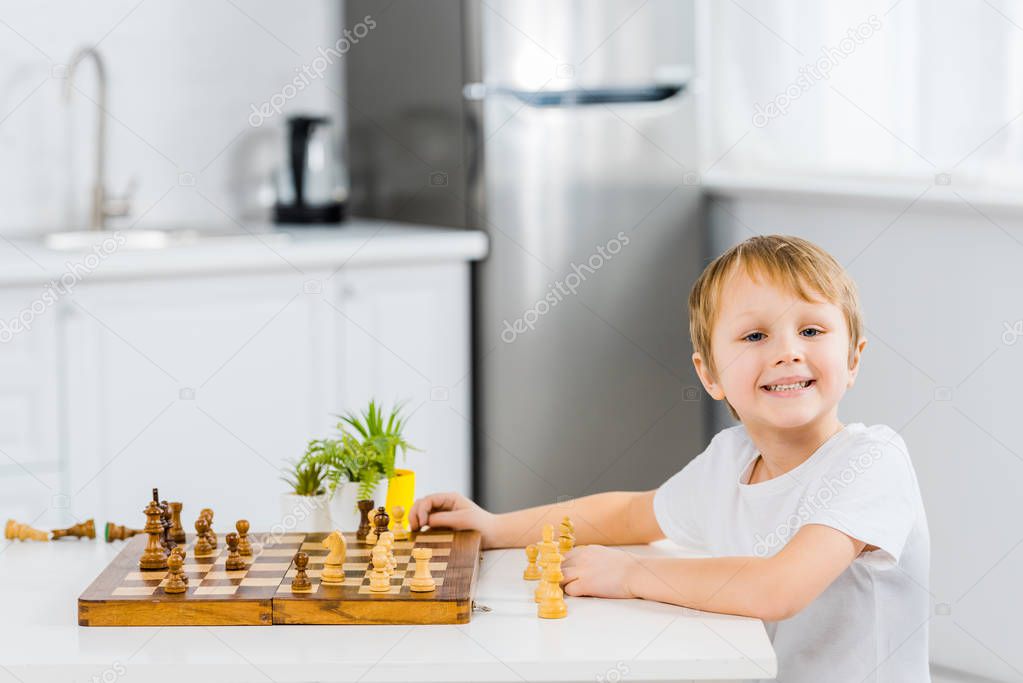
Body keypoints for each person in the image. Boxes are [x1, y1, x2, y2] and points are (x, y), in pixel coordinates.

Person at [409, 235, 930, 682]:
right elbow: (630, 514)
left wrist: (632, 575)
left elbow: (779, 588)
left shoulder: (870, 461)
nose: (788, 351)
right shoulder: (731, 459)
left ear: (854, 357)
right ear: (710, 376)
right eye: (754, 335)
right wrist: (494, 526)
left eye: (812, 330)